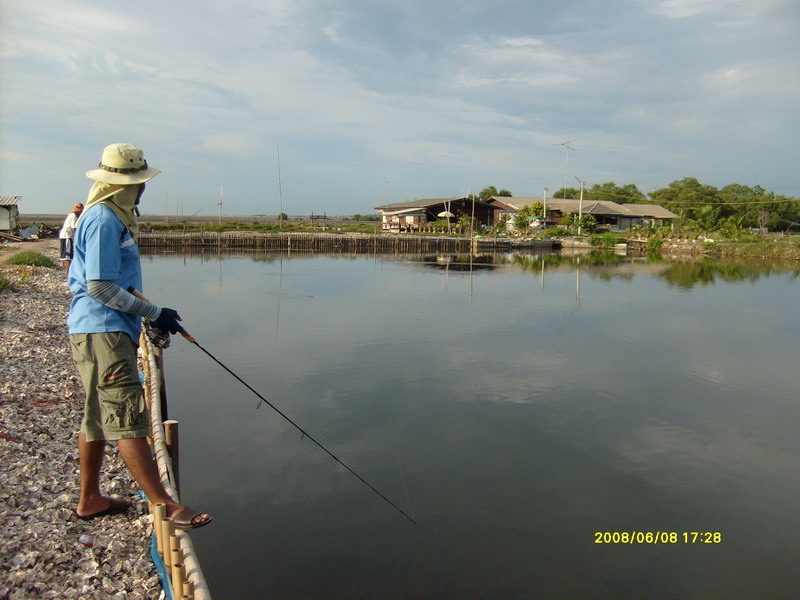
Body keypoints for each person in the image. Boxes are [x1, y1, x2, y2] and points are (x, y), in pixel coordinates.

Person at [67, 143, 211, 530]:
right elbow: (98, 287)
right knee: (127, 415)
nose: (142, 188)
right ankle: (163, 503)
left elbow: (117, 284)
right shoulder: (102, 220)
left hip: (105, 329)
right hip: (103, 331)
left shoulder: (113, 217)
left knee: (97, 418)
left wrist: (153, 312)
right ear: (125, 185)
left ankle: (90, 499)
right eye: (139, 182)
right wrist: (153, 313)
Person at [59, 202, 83, 274]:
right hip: (67, 236)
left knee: (69, 254)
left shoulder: (74, 215)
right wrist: (77, 238)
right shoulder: (73, 216)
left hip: (68, 236)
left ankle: (70, 271)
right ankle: (69, 272)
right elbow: (74, 228)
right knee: (67, 255)